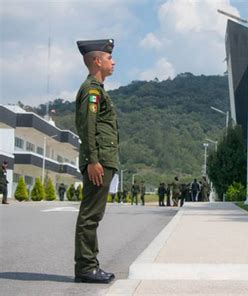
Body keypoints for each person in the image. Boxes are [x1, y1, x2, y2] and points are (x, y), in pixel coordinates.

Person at [74, 38, 118, 283]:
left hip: (103, 157)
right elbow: (87, 125)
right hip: (98, 159)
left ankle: (89, 265)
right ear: (97, 61)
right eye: (109, 57)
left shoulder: (98, 90)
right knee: (90, 215)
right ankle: (86, 268)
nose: (113, 61)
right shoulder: (91, 89)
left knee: (93, 215)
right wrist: (93, 159)